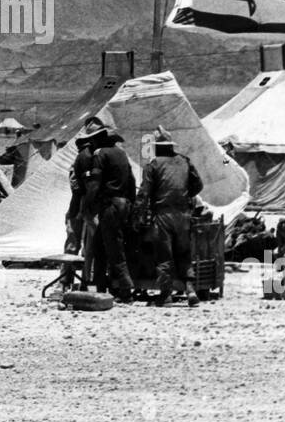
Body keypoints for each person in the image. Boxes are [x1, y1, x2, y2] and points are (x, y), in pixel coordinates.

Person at [137, 127, 204, 306]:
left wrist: (138, 214)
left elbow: (144, 193)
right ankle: (190, 290)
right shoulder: (184, 161)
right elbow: (198, 185)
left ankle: (165, 294)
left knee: (164, 255)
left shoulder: (153, 165)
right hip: (183, 214)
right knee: (184, 253)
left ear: (158, 147)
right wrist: (185, 193)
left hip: (163, 215)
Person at [86, 124, 136, 302]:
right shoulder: (122, 154)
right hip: (123, 205)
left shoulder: (100, 154)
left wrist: (88, 204)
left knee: (114, 249)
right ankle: (101, 286)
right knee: (100, 246)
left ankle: (126, 288)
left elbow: (94, 183)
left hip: (109, 207)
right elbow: (132, 181)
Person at [59, 123, 100, 290]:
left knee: (82, 246)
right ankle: (69, 280)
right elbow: (76, 185)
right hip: (79, 207)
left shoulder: (90, 159)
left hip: (82, 206)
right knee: (77, 245)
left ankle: (76, 280)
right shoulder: (83, 160)